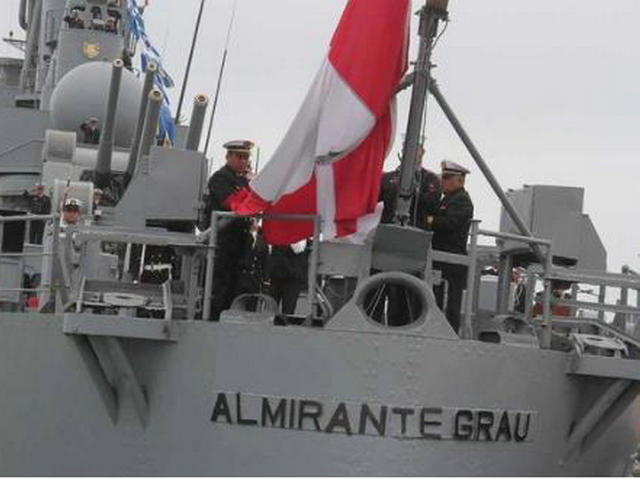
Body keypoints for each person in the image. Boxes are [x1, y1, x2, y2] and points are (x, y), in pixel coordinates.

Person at [202, 140, 254, 320]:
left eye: (246, 157)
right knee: (219, 286)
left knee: (237, 284)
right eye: (239, 157)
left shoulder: (243, 180)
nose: (244, 161)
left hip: (240, 241)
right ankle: (213, 318)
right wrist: (250, 193)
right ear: (228, 156)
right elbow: (233, 204)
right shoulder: (220, 178)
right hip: (222, 241)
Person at [426, 160, 474, 333]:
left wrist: (429, 220)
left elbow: (450, 223)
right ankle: (436, 330)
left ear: (459, 180)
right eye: (442, 177)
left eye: (447, 178)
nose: (442, 181)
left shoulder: (461, 200)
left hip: (452, 259)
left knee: (451, 304)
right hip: (441, 258)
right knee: (435, 299)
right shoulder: (447, 199)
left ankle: (448, 333)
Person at [379, 144, 441, 228]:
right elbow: (372, 199)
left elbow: (433, 205)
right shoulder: (389, 177)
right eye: (406, 150)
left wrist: (414, 190)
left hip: (416, 230)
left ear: (422, 153)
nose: (409, 154)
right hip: (388, 227)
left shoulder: (429, 179)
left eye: (415, 150)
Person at [268, 240, 308, 315]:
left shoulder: (299, 238)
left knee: (288, 309)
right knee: (271, 307)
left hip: (292, 278)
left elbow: (298, 249)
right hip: (276, 276)